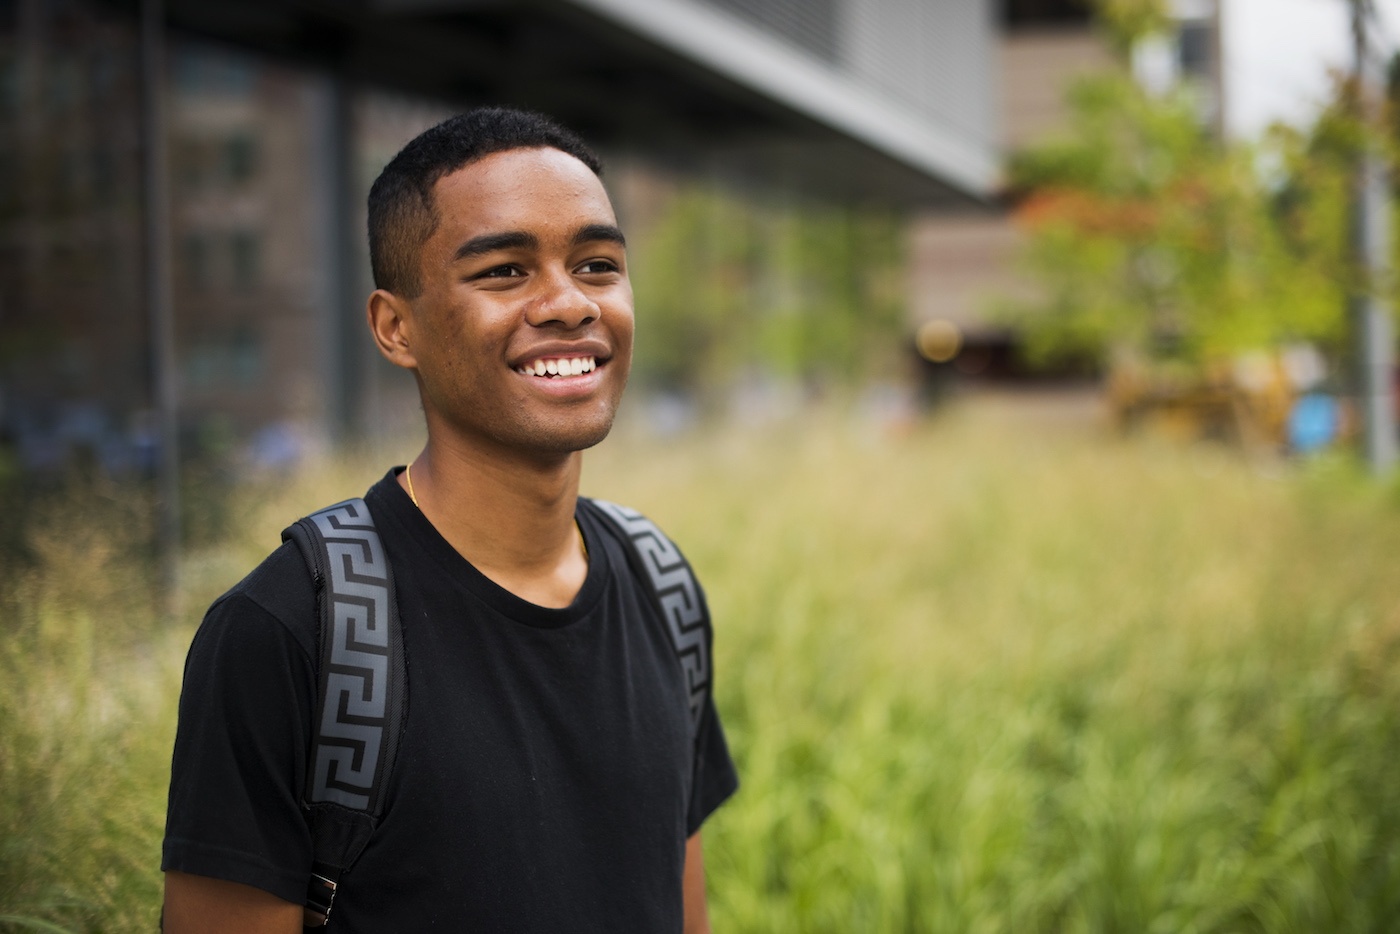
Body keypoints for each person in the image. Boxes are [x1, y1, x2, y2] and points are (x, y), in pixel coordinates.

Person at [161, 107, 738, 933]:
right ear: (397, 328)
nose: (569, 303)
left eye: (598, 264)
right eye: (505, 271)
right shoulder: (292, 632)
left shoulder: (663, 586)